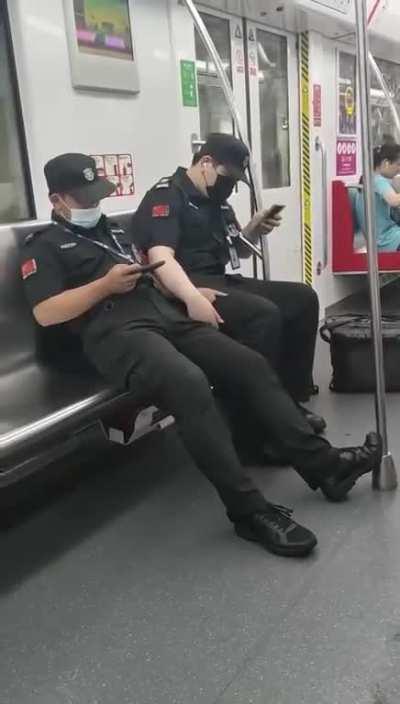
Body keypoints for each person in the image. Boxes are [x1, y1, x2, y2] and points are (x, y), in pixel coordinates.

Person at [21, 153, 381, 560]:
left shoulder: (112, 234)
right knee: (188, 383)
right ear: (57, 200)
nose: (92, 204)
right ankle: (248, 511)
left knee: (248, 364)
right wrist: (103, 286)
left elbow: (150, 275)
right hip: (115, 334)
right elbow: (46, 312)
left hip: (162, 314)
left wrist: (185, 294)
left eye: (95, 195)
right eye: (82, 198)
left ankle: (325, 467)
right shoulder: (44, 248)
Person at [132, 133, 326, 452]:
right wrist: (191, 297)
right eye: (229, 176)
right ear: (206, 162)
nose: (230, 186)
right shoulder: (167, 197)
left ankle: (286, 404)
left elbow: (233, 250)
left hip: (219, 279)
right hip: (182, 287)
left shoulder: (216, 202)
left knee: (303, 298)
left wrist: (253, 229)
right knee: (262, 315)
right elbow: (160, 258)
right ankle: (253, 426)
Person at [355, 144, 400, 251]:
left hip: (387, 238)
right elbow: (393, 200)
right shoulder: (377, 180)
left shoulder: (371, 179)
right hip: (387, 241)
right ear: (386, 163)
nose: (399, 169)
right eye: (398, 164)